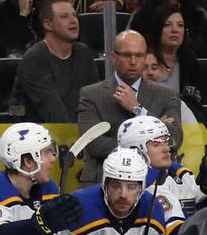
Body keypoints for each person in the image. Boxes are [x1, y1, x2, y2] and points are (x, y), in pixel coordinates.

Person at [75, 30, 182, 185]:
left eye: (139, 55)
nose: (133, 61)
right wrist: (150, 142)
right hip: (102, 180)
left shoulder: (166, 95)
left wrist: (138, 109)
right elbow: (92, 143)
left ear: (145, 58)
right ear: (114, 57)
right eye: (126, 55)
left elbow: (174, 139)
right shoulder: (91, 94)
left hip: (155, 184)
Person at [55, 147, 181, 235]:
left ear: (141, 188)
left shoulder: (153, 210)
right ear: (105, 185)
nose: (123, 195)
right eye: (116, 186)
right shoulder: (80, 208)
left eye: (131, 187)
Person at [13, 0, 98, 122]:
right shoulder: (34, 59)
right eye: (64, 17)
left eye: (74, 15)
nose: (73, 21)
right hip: (40, 134)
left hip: (79, 131)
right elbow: (51, 109)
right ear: (48, 24)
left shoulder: (83, 52)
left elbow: (94, 98)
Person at [116, 114, 207, 219]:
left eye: (165, 142)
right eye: (156, 144)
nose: (167, 149)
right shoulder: (128, 189)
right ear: (134, 150)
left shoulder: (180, 173)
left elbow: (204, 216)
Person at [141, 4, 201, 97]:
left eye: (180, 25)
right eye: (167, 25)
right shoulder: (144, 58)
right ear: (157, 29)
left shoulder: (188, 60)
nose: (175, 30)